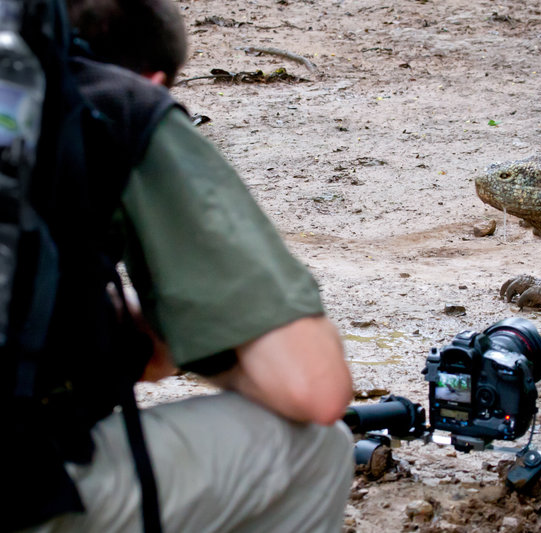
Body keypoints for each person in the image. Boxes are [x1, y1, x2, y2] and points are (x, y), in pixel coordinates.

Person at [19, 0, 354, 531]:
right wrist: (190, 338)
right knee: (318, 448)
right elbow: (314, 385)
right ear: (155, 82)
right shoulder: (111, 103)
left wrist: (114, 334)